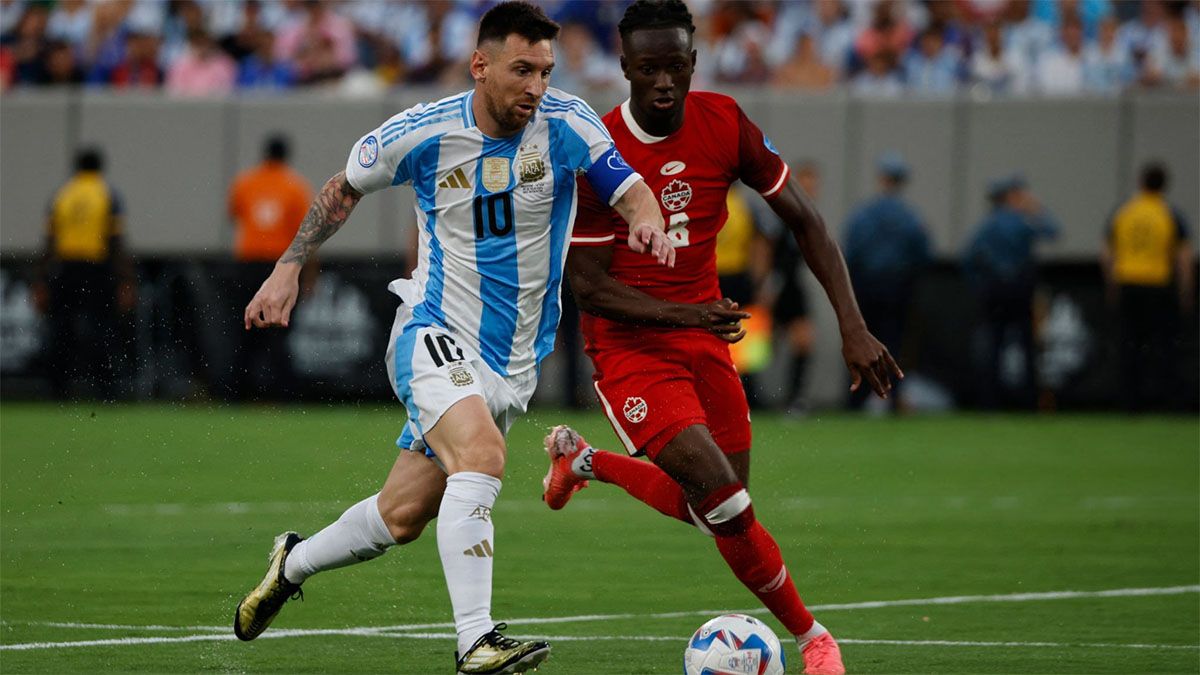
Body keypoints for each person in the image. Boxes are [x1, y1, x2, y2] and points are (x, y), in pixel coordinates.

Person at [231, 4, 674, 674]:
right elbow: (342, 190)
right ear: (481, 65)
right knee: (484, 455)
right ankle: (475, 641)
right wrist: (288, 265)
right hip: (433, 329)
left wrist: (650, 221)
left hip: (511, 364)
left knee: (402, 517)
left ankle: (291, 562)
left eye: (546, 71)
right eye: (522, 69)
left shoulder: (566, 124)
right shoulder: (423, 133)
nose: (537, 86)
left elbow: (629, 188)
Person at [539, 3, 901, 673]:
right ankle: (812, 636)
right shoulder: (594, 151)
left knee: (715, 506)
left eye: (676, 66)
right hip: (631, 352)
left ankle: (583, 460)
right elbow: (587, 288)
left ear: (694, 63)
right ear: (624, 68)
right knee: (727, 502)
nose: (664, 82)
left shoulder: (725, 123)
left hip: (704, 343)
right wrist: (687, 315)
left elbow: (807, 222)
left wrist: (851, 325)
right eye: (648, 68)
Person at [32, 147, 136, 400]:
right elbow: (115, 241)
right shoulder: (107, 193)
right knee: (102, 329)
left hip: (65, 269)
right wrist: (126, 279)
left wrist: (40, 280)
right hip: (97, 268)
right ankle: (106, 388)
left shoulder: (62, 194)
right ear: (100, 167)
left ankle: (58, 389)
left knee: (61, 330)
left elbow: (49, 241)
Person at [226, 134, 313, 400]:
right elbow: (308, 235)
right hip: (279, 267)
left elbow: (234, 215)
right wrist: (308, 276)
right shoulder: (295, 186)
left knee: (246, 329)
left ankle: (238, 392)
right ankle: (281, 393)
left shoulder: (245, 182)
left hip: (248, 264)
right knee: (280, 329)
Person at [1101, 162, 1194, 412]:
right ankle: (1168, 402)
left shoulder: (1124, 212)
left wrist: (1111, 285)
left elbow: (1108, 253)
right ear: (1164, 185)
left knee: (1128, 345)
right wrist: (1186, 290)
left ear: (1140, 182)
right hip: (1158, 286)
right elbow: (1183, 257)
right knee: (1164, 346)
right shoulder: (1170, 214)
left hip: (1128, 283)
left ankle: (1128, 403)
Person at [842, 152, 930, 411]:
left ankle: (856, 398)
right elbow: (923, 253)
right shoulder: (910, 216)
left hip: (866, 287)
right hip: (898, 288)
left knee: (861, 339)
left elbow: (850, 252)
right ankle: (893, 395)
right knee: (895, 343)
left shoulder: (864, 214)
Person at [963, 173, 1059, 409]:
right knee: (1027, 346)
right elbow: (1053, 231)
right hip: (1019, 290)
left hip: (994, 292)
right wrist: (1036, 208)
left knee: (993, 347)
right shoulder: (1021, 222)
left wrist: (979, 286)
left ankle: (990, 403)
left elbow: (968, 258)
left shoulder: (987, 225)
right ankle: (1028, 403)